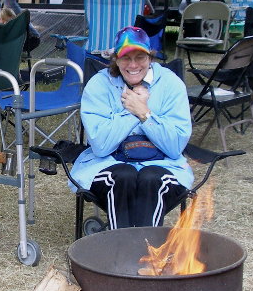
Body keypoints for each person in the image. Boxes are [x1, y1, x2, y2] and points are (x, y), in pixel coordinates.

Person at [70, 26, 194, 229]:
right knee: (123, 176)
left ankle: (145, 246)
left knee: (152, 178)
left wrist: (145, 113)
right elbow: (101, 146)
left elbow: (175, 147)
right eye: (126, 58)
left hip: (164, 165)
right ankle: (122, 244)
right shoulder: (99, 85)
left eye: (140, 57)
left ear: (150, 58)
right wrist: (132, 111)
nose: (133, 65)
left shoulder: (171, 84)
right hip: (107, 163)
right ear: (116, 59)